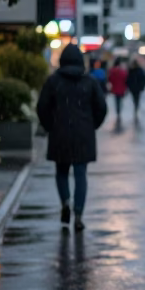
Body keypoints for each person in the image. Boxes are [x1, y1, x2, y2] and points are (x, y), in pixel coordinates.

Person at [36, 43, 107, 232]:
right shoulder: (89, 82)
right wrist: (92, 125)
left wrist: (50, 126)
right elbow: (101, 108)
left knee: (61, 171)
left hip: (60, 132)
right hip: (83, 133)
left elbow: (42, 107)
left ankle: (65, 202)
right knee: (80, 173)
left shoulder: (53, 81)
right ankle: (79, 214)